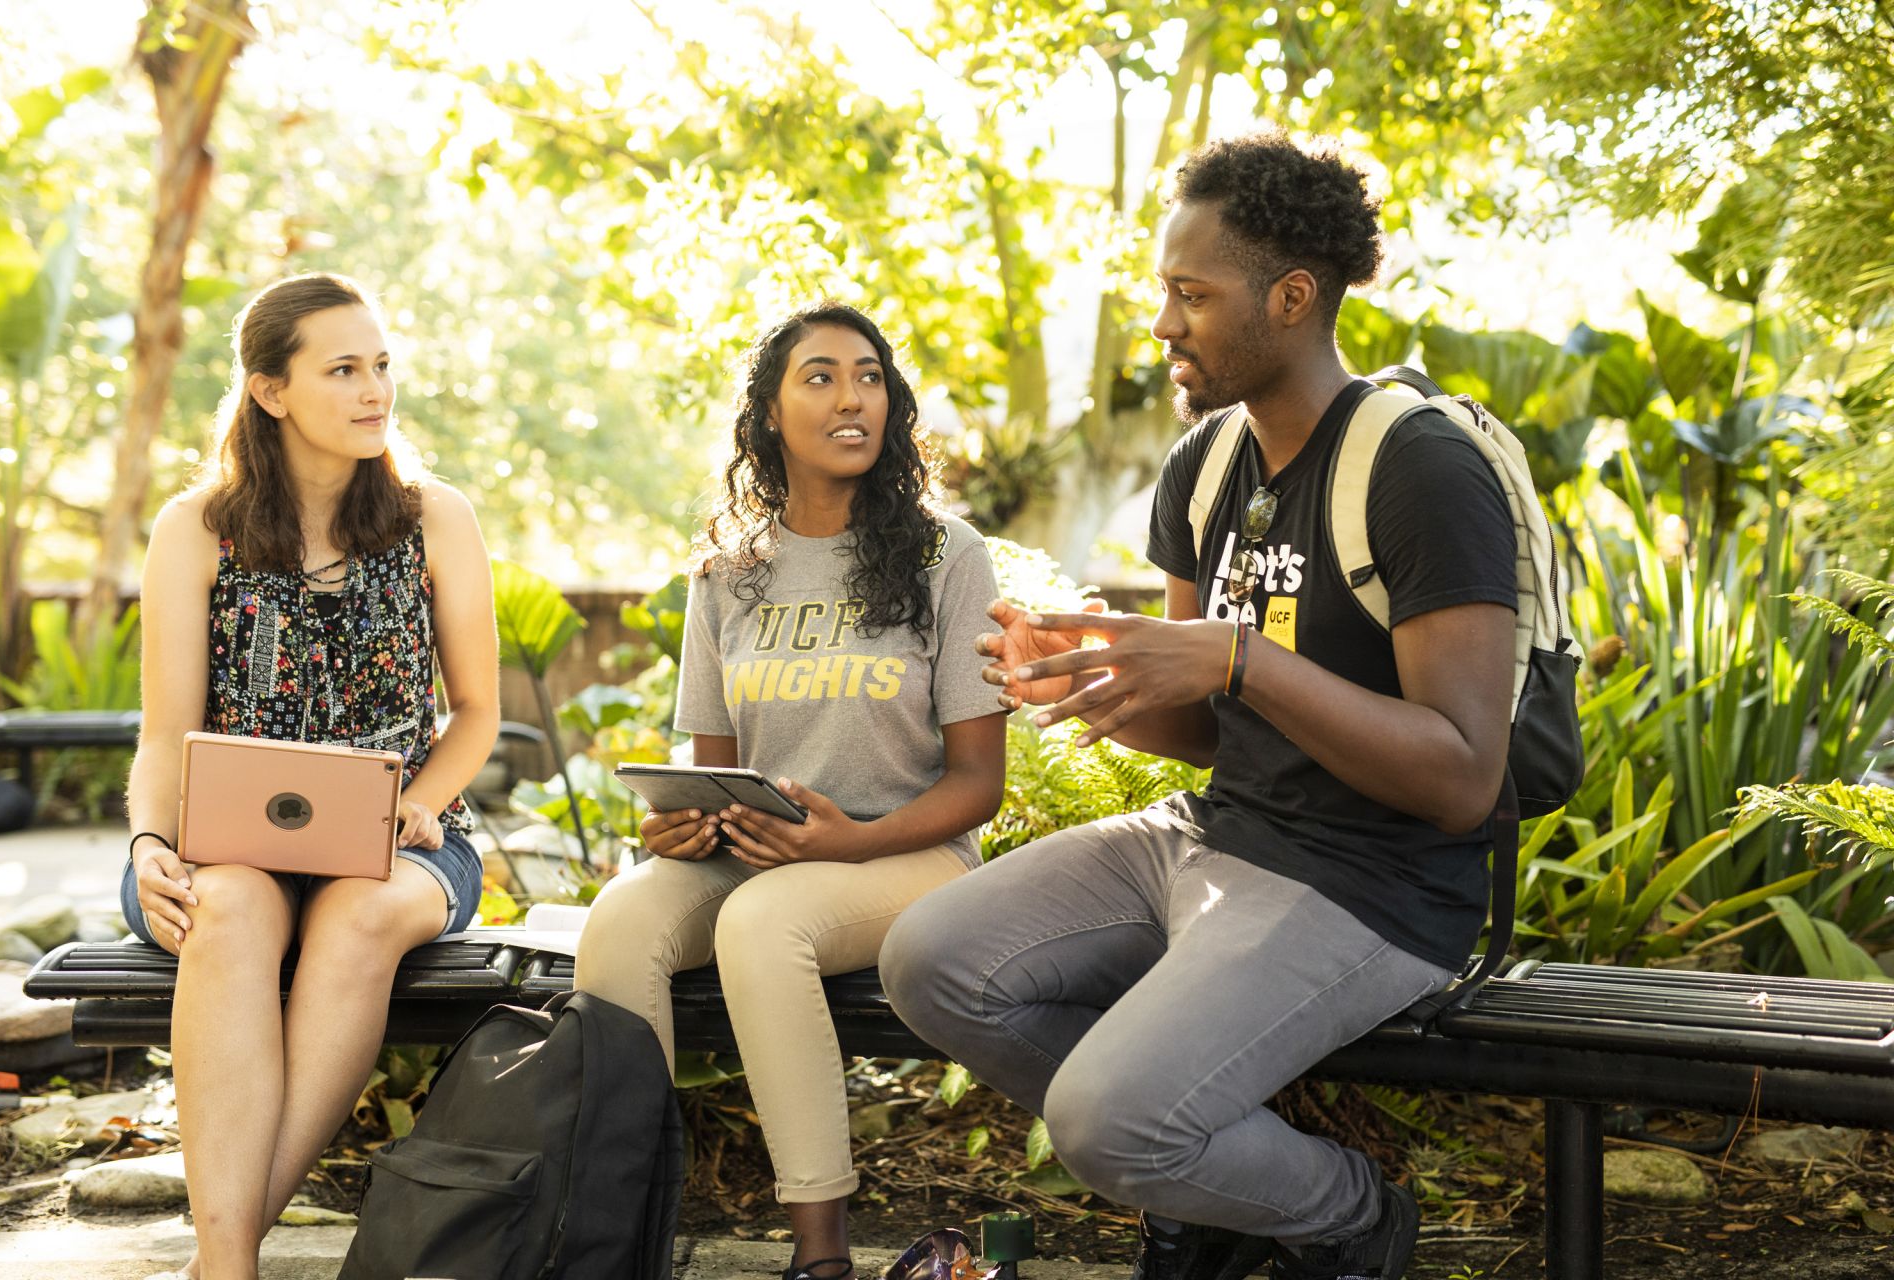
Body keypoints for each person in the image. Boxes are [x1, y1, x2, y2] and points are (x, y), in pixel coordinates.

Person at [880, 129, 1518, 1280]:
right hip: (1217, 835)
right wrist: (1089, 686)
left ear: (1290, 295)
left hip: (1373, 881)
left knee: (1104, 1120)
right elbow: (1207, 722)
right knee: (930, 957)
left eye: (1192, 294)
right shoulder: (1209, 465)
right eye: (1160, 292)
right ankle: (1211, 1166)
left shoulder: (1417, 467)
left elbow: (1465, 773)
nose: (1164, 323)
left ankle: (1347, 1213)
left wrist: (1237, 657)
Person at [574, 302, 1007, 1280]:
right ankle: (619, 1226)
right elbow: (712, 758)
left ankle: (821, 1255)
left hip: (907, 854)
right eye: (819, 375)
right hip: (761, 848)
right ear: (769, 411)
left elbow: (979, 782)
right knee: (619, 921)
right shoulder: (730, 572)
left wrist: (849, 841)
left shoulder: (949, 556)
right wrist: (681, 822)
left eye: (868, 375)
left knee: (764, 921)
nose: (851, 396)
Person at [123, 273, 499, 1280]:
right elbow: (168, 734)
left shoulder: (434, 518)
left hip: (403, 838)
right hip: (221, 838)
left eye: (381, 365)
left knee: (362, 912)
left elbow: (477, 715)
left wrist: (421, 799)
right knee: (230, 906)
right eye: (343, 368)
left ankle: (223, 1259)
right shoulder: (197, 529)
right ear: (271, 391)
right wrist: (152, 845)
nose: (375, 388)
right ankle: (232, 1259)